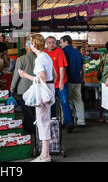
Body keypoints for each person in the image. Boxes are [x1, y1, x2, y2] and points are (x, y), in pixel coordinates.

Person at [18, 34, 56, 162]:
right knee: (44, 120)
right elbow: (54, 75)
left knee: (42, 121)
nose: (29, 45)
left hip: (43, 90)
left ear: (34, 44)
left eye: (30, 42)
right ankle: (45, 153)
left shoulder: (39, 58)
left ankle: (45, 155)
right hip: (49, 88)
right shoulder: (47, 56)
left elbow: (42, 78)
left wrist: (25, 75)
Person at [45, 36, 74, 132]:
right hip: (49, 84)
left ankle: (69, 124)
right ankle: (53, 123)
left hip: (61, 83)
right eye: (49, 42)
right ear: (46, 43)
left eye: (53, 42)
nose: (51, 44)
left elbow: (62, 68)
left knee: (65, 103)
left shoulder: (59, 52)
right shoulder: (44, 53)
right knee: (51, 104)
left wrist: (61, 82)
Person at [60, 35, 87, 127]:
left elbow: (62, 67)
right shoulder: (77, 52)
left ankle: (64, 121)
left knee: (64, 102)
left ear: (66, 42)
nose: (60, 44)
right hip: (77, 80)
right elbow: (83, 66)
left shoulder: (62, 52)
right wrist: (83, 78)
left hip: (67, 81)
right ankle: (81, 121)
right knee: (78, 100)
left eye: (61, 42)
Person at [11, 40, 37, 133]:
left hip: (23, 88)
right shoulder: (38, 58)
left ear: (27, 48)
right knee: (34, 108)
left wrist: (12, 87)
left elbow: (16, 75)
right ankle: (33, 126)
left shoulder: (21, 59)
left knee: (26, 109)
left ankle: (29, 128)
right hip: (36, 87)